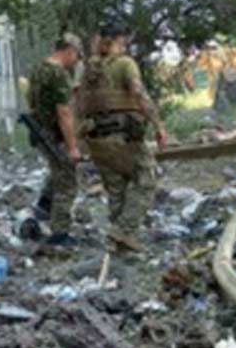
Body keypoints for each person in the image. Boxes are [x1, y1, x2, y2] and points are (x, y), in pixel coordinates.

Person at [75, 24, 167, 255]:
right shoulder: (125, 64)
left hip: (96, 139)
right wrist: (158, 125)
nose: (125, 46)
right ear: (116, 40)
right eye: (123, 41)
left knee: (116, 190)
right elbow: (139, 93)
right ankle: (125, 230)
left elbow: (78, 105)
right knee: (146, 181)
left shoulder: (88, 71)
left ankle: (120, 247)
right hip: (124, 137)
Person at [27, 33, 83, 246]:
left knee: (56, 171)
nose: (76, 61)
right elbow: (64, 113)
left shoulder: (38, 69)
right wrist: (72, 147)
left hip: (39, 130)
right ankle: (60, 233)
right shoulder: (58, 74)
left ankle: (43, 206)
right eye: (76, 55)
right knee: (68, 181)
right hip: (53, 133)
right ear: (69, 50)